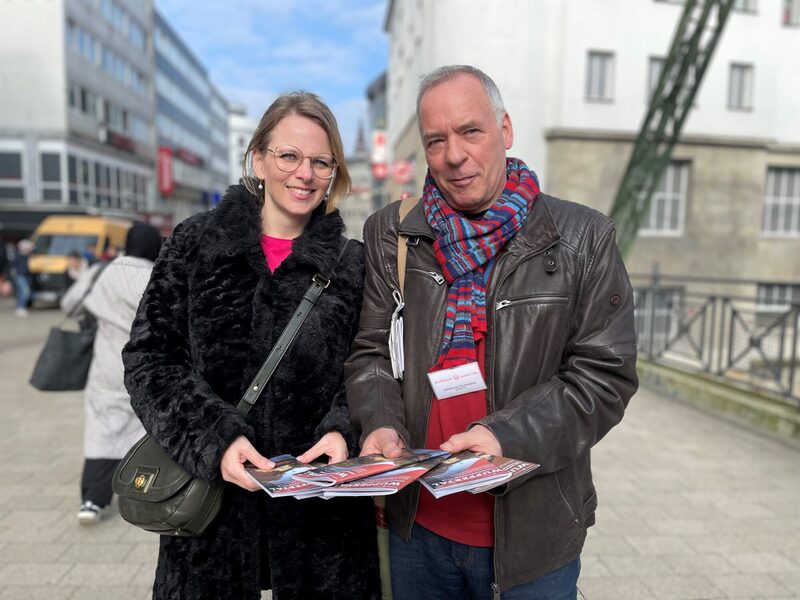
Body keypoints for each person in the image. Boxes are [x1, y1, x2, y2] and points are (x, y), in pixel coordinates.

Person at [345, 65, 639, 599]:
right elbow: (370, 353)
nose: (454, 155)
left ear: (505, 131)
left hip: (534, 537)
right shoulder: (393, 233)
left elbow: (604, 376)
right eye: (436, 140)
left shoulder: (581, 238)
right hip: (420, 528)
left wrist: (509, 435)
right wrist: (380, 424)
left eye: (470, 132)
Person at [122, 91, 380, 600]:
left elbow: (371, 363)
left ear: (334, 173)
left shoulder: (352, 263)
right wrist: (215, 439)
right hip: (212, 523)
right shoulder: (195, 244)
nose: (304, 174)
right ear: (258, 158)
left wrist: (343, 430)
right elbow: (149, 358)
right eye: (289, 155)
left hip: (321, 529)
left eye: (321, 162)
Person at [61, 223, 162, 525]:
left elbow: (69, 305)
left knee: (102, 430)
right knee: (147, 430)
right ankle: (147, 491)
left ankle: (92, 501)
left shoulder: (100, 272)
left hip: (106, 365)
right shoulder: (157, 276)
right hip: (146, 365)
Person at [11, 238, 33, 316]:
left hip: (27, 276)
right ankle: (21, 307)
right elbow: (14, 266)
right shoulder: (18, 255)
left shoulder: (29, 256)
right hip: (20, 275)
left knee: (22, 292)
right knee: (25, 291)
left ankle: (20, 307)